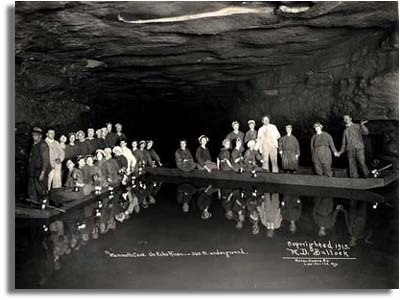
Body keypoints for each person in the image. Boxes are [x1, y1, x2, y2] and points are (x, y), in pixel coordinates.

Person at [27, 127, 50, 204]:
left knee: (41, 189)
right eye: (33, 135)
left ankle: (44, 204)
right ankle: (34, 203)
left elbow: (46, 160)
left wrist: (42, 173)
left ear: (40, 136)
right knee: (32, 188)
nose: (34, 137)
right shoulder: (34, 144)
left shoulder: (43, 145)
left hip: (40, 170)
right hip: (33, 170)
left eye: (36, 135)